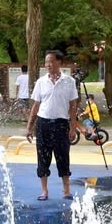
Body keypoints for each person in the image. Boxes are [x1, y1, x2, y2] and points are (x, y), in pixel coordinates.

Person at [26, 50, 78, 200]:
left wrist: (73, 127)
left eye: (51, 61)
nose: (48, 65)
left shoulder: (69, 81)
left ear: (59, 63)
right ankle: (44, 191)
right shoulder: (41, 82)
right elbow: (36, 105)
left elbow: (73, 105)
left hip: (61, 124)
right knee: (43, 157)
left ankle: (66, 190)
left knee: (63, 156)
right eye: (46, 62)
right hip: (43, 123)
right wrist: (29, 127)